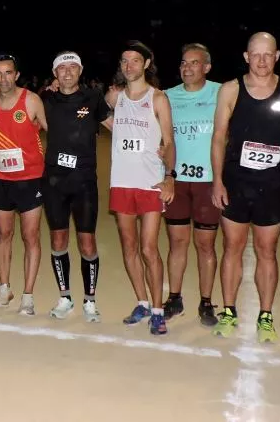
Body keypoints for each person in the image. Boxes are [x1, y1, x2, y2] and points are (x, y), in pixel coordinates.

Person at [210, 32, 280, 341]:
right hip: (236, 184)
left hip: (273, 186)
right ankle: (228, 312)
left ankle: (265, 316)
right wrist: (217, 181)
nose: (262, 60)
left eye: (268, 54)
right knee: (232, 248)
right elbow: (218, 137)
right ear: (246, 57)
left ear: (277, 56)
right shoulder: (230, 89)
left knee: (267, 250)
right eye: (256, 54)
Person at [106, 42, 176, 336]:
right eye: (124, 61)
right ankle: (142, 303)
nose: (129, 66)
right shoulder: (114, 97)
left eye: (135, 60)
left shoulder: (158, 98)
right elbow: (109, 123)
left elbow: (169, 141)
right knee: (129, 246)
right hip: (121, 182)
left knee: (149, 248)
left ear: (146, 64)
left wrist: (170, 176)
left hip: (149, 183)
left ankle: (158, 311)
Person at [41, 52, 111, 322]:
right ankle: (65, 297)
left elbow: (115, 126)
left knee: (87, 242)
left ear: (80, 71)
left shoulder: (93, 98)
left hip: (84, 182)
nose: (68, 72)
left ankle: (90, 301)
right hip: (54, 182)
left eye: (73, 67)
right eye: (62, 68)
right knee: (58, 240)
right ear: (55, 73)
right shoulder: (46, 99)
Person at [0, 53, 47, 315]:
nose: (4, 78)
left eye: (8, 72)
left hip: (30, 178)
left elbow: (53, 129)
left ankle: (28, 295)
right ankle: (4, 287)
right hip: (0, 178)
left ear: (17, 75)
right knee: (3, 234)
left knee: (30, 236)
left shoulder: (31, 100)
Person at [164, 43, 222, 325]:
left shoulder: (222, 92)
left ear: (207, 67)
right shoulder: (167, 96)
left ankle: (206, 302)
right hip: (176, 182)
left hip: (207, 182)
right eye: (183, 63)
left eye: (194, 63)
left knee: (205, 245)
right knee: (177, 242)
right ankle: (174, 299)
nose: (187, 68)